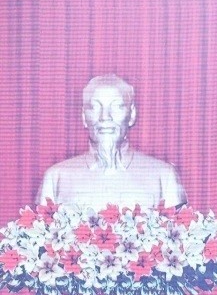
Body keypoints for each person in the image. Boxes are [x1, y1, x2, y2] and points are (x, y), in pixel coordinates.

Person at [37, 74, 186, 210]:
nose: (105, 117)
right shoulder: (56, 177)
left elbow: (176, 226)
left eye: (116, 106)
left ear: (132, 115)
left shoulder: (164, 176)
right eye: (95, 107)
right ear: (84, 117)